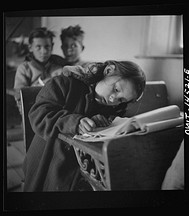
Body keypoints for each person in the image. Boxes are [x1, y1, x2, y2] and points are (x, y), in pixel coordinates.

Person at [23, 60, 146, 191]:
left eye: (121, 99)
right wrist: (75, 122)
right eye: (116, 89)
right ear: (108, 70)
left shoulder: (111, 108)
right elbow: (38, 115)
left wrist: (101, 121)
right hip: (48, 164)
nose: (113, 100)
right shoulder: (64, 83)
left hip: (83, 168)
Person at [14, 27, 65, 113]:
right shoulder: (24, 68)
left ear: (52, 47)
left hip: (56, 111)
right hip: (32, 110)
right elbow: (20, 95)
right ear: (30, 47)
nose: (44, 51)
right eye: (38, 47)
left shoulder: (59, 67)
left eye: (47, 46)